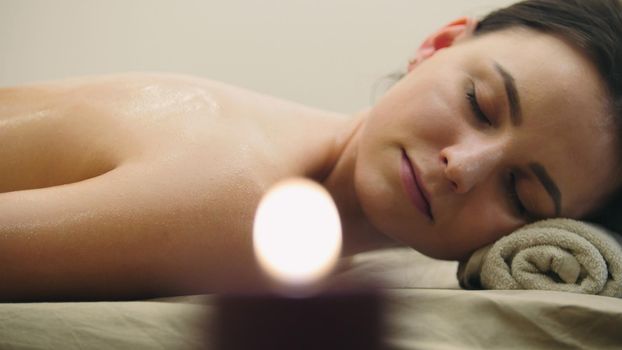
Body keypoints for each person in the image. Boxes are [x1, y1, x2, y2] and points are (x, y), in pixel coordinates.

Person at [1, 0, 621, 301]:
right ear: (436, 45)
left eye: (521, 191)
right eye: (481, 105)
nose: (463, 166)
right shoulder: (243, 199)